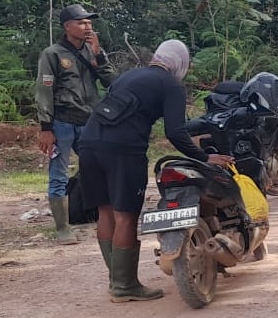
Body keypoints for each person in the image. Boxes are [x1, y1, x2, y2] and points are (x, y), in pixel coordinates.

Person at [76, 40, 233, 302]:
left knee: (105, 211)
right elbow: (175, 131)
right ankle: (125, 286)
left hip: (88, 144)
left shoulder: (131, 75)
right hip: (122, 151)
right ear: (180, 63)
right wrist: (205, 157)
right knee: (125, 215)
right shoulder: (171, 85)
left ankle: (117, 281)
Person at [34, 3, 117, 244]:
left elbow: (112, 82)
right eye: (81, 22)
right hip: (61, 123)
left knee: (101, 168)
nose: (87, 26)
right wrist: (46, 128)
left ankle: (103, 217)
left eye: (89, 22)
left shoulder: (93, 51)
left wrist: (99, 53)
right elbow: (43, 91)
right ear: (67, 26)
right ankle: (62, 228)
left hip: (89, 122)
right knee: (58, 174)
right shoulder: (52, 54)